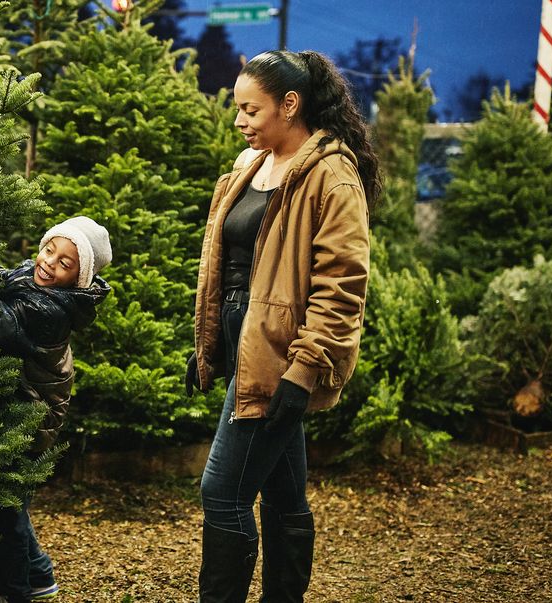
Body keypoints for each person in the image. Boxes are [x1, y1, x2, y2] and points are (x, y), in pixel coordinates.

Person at [187, 50, 378, 602]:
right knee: (284, 494)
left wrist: (305, 370)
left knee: (221, 491)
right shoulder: (252, 165)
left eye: (251, 109)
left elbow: (341, 286)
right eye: (237, 108)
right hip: (241, 343)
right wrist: (207, 343)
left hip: (280, 359)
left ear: (290, 105)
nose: (239, 120)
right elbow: (229, 264)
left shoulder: (331, 176)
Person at [0, 216, 113, 603]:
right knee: (12, 502)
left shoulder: (52, 309)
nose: (49, 263)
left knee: (5, 509)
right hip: (21, 407)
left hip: (30, 418)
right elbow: (2, 281)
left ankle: (14, 592)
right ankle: (39, 575)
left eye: (65, 263)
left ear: (79, 278)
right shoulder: (32, 275)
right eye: (49, 250)